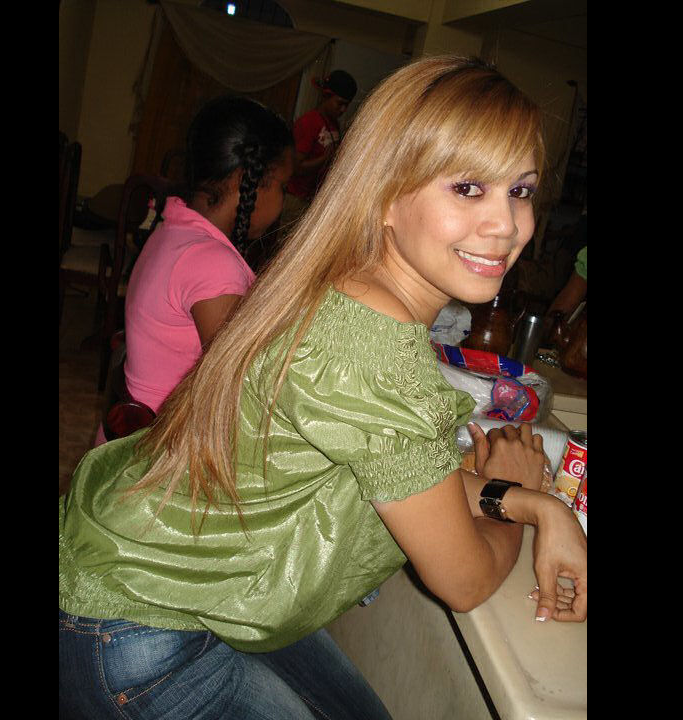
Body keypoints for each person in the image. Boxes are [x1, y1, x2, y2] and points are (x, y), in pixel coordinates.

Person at [60, 56, 587, 720]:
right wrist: (524, 491)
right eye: (467, 188)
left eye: (521, 190)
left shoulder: (344, 286)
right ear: (384, 194)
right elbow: (466, 581)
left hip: (193, 580)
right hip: (139, 622)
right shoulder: (373, 342)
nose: (507, 225)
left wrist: (534, 507)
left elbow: (403, 475)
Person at [93, 96, 293, 445]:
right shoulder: (212, 264)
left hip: (132, 436)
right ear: (247, 180)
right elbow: (243, 386)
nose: (284, 199)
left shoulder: (174, 227)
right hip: (160, 451)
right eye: (283, 186)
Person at [279, 69, 357, 231]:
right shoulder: (308, 122)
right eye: (340, 103)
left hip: (312, 200)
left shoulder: (334, 124)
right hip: (295, 199)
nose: (343, 110)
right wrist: (325, 159)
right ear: (326, 96)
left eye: (347, 105)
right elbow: (295, 167)